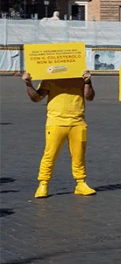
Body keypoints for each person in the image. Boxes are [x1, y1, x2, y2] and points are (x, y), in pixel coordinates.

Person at [23, 65, 97, 198]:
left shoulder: (80, 77)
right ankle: (43, 183)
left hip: (79, 123)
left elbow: (89, 97)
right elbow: (37, 98)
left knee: (79, 154)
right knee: (50, 154)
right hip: (55, 123)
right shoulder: (50, 78)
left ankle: (81, 183)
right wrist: (28, 84)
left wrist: (87, 81)